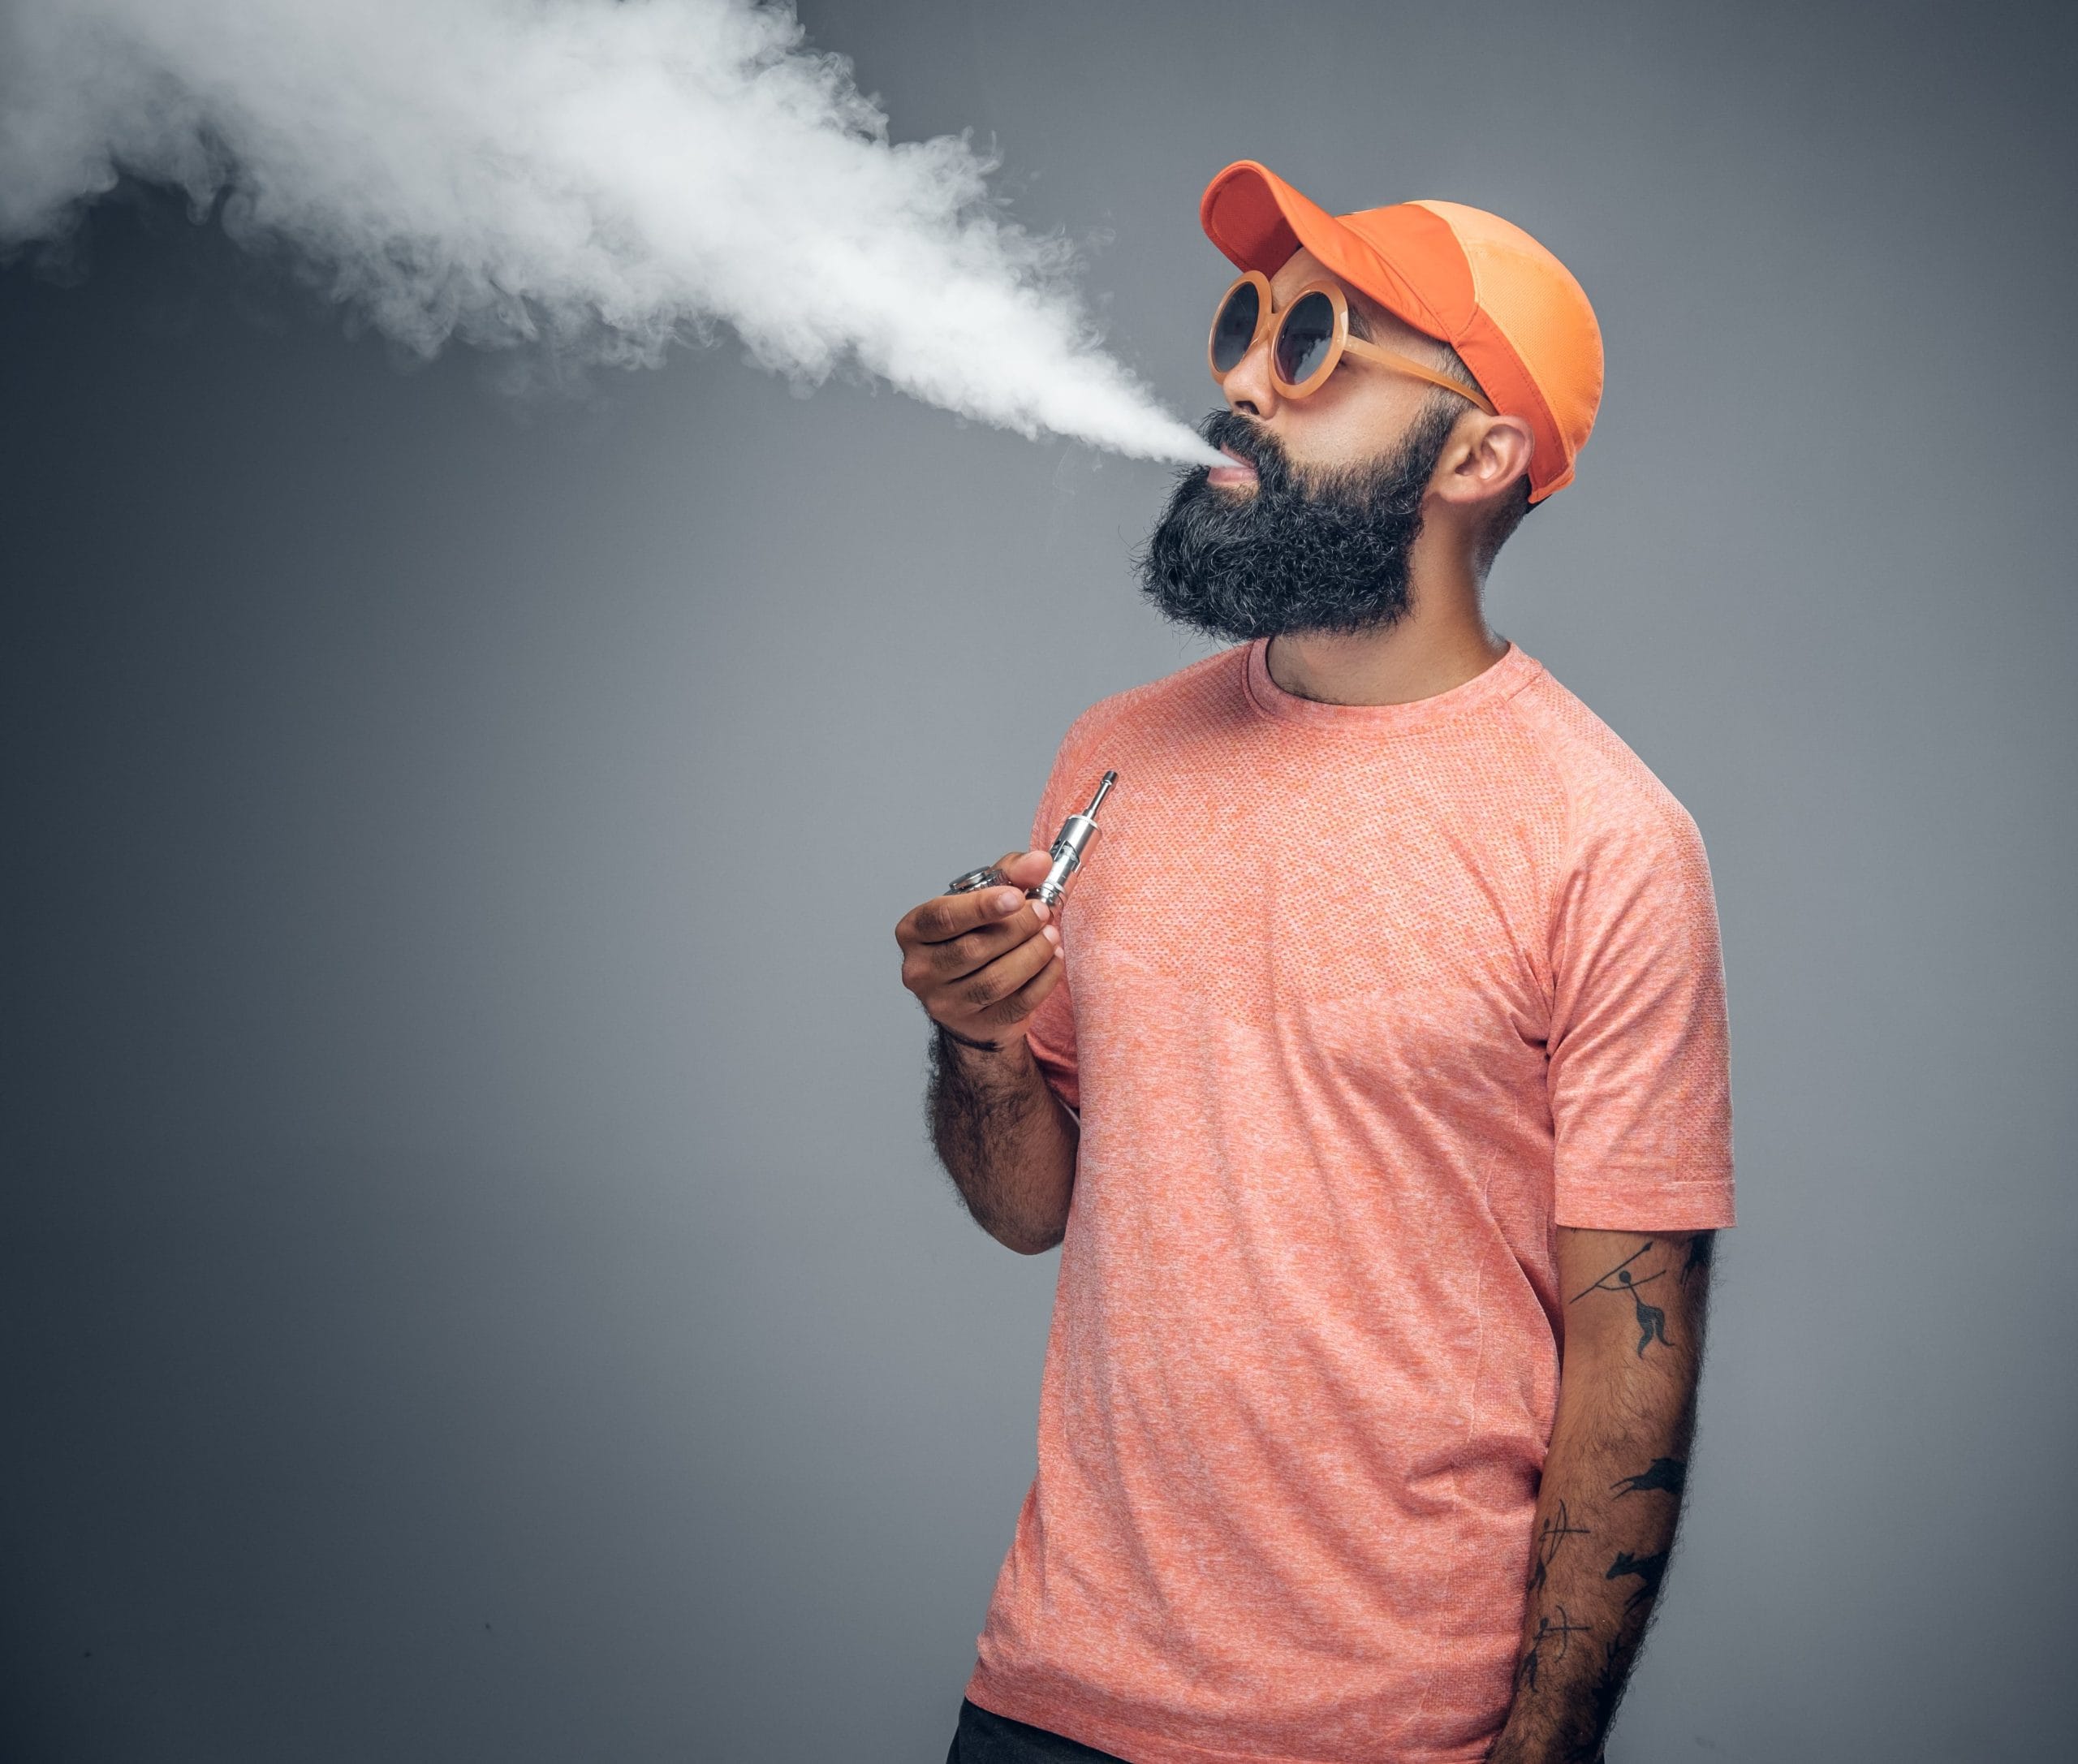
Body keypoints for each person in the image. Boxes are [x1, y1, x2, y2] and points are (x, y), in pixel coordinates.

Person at [894, 159, 1735, 1764]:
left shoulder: (1605, 838)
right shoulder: (1112, 755)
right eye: (1245, 328)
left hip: (1383, 1733)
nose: (1233, 385)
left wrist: (1543, 1752)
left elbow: (1632, 1359)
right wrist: (977, 1041)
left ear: (1479, 451)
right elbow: (1025, 1208)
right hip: (1045, 1700)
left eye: (1312, 351)